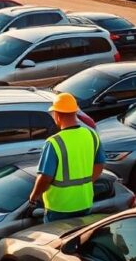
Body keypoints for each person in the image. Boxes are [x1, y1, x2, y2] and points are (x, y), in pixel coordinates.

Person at [28, 92, 105, 223]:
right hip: (84, 202)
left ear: (57, 115)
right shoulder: (91, 135)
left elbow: (45, 177)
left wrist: (34, 197)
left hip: (59, 208)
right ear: (75, 113)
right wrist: (85, 183)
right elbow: (99, 165)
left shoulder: (54, 142)